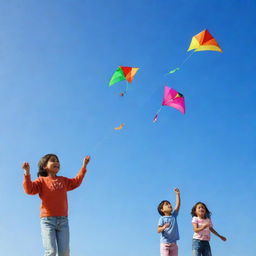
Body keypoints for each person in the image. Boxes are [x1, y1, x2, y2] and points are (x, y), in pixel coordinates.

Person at [22, 153, 90, 256]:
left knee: (65, 253)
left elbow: (76, 182)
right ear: (44, 166)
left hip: (63, 221)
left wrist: (84, 166)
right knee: (51, 252)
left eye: (57, 161)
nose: (56, 162)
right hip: (47, 221)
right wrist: (27, 173)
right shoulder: (41, 181)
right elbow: (29, 189)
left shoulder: (63, 180)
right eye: (53, 160)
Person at [157, 188, 181, 256]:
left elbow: (178, 205)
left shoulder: (174, 216)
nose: (169, 205)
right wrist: (163, 227)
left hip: (174, 244)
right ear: (162, 210)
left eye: (169, 204)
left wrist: (177, 194)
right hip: (165, 244)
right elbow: (158, 230)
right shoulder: (162, 219)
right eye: (166, 204)